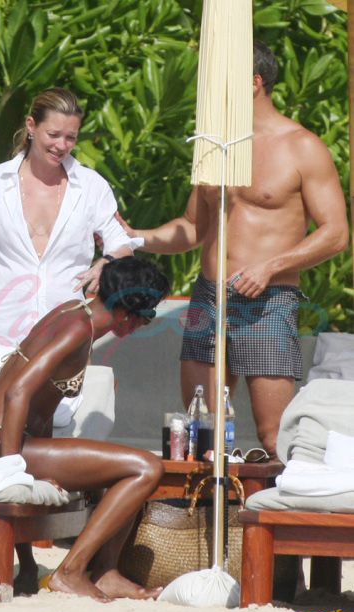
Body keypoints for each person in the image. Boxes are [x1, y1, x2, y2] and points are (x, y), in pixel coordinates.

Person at [115, 41, 349, 458]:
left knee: (274, 436)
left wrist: (270, 267)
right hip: (209, 295)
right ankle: (206, 502)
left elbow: (336, 234)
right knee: (200, 432)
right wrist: (135, 236)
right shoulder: (213, 146)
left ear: (254, 82)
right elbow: (192, 227)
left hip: (267, 299)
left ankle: (282, 501)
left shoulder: (301, 146)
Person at [0, 256, 171, 601]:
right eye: (146, 317)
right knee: (148, 466)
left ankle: (106, 573)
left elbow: (38, 415)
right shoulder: (78, 330)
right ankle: (70, 572)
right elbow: (18, 392)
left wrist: (27, 562)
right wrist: (12, 473)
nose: (141, 326)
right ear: (128, 314)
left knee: (117, 472)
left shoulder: (72, 311)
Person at [0, 87, 143, 359]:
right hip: (1, 331)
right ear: (31, 126)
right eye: (53, 135)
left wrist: (108, 260)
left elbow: (121, 241)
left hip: (68, 335)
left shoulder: (91, 186)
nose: (61, 145)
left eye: (71, 137)